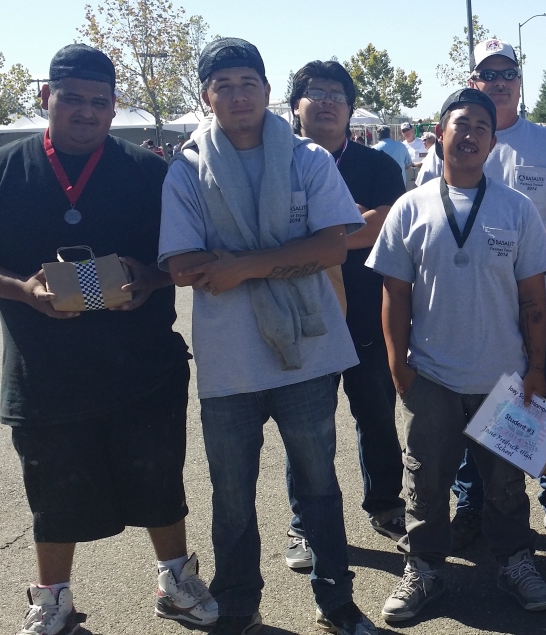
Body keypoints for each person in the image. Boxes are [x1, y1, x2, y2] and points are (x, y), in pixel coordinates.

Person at [0, 43, 217, 635]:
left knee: (158, 476)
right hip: (44, 369)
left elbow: (187, 254)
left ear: (114, 106)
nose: (86, 112)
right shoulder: (0, 170)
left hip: (142, 364)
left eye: (99, 102)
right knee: (52, 487)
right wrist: (21, 289)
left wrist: (146, 277)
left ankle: (175, 579)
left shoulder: (150, 171)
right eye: (72, 99)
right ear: (46, 97)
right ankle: (52, 600)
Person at [158, 38, 376, 635]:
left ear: (268, 91)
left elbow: (337, 242)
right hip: (228, 364)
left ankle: (337, 603)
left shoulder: (307, 159)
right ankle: (236, 604)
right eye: (223, 85)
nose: (238, 95)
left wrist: (242, 265)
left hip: (308, 354)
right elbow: (181, 266)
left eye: (247, 82)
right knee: (231, 498)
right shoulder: (188, 170)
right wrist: (287, 256)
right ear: (206, 96)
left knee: (319, 486)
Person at [367, 87, 546, 624]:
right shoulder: (411, 207)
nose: (471, 133)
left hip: (505, 377)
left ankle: (515, 561)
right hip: (431, 375)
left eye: (481, 125)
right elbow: (395, 294)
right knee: (425, 478)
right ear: (440, 134)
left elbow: (533, 298)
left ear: (493, 143)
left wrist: (538, 368)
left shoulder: (516, 209)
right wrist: (398, 365)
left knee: (505, 482)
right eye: (461, 123)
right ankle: (424, 568)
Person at [419, 38, 546, 549]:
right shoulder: (448, 143)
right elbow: (428, 216)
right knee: (479, 407)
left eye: (506, 73)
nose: (498, 82)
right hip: (474, 310)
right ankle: (473, 506)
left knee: (545, 405)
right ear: (474, 83)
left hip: (544, 305)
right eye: (487, 75)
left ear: (519, 80)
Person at [284, 59, 408, 567]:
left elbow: (383, 226)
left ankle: (384, 503)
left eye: (338, 92)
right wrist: (345, 228)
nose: (328, 100)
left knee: (376, 414)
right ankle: (304, 525)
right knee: (306, 427)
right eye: (316, 91)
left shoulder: (377, 166)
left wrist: (311, 237)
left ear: (351, 108)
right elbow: (280, 232)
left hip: (366, 313)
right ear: (296, 105)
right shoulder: (277, 164)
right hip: (299, 314)